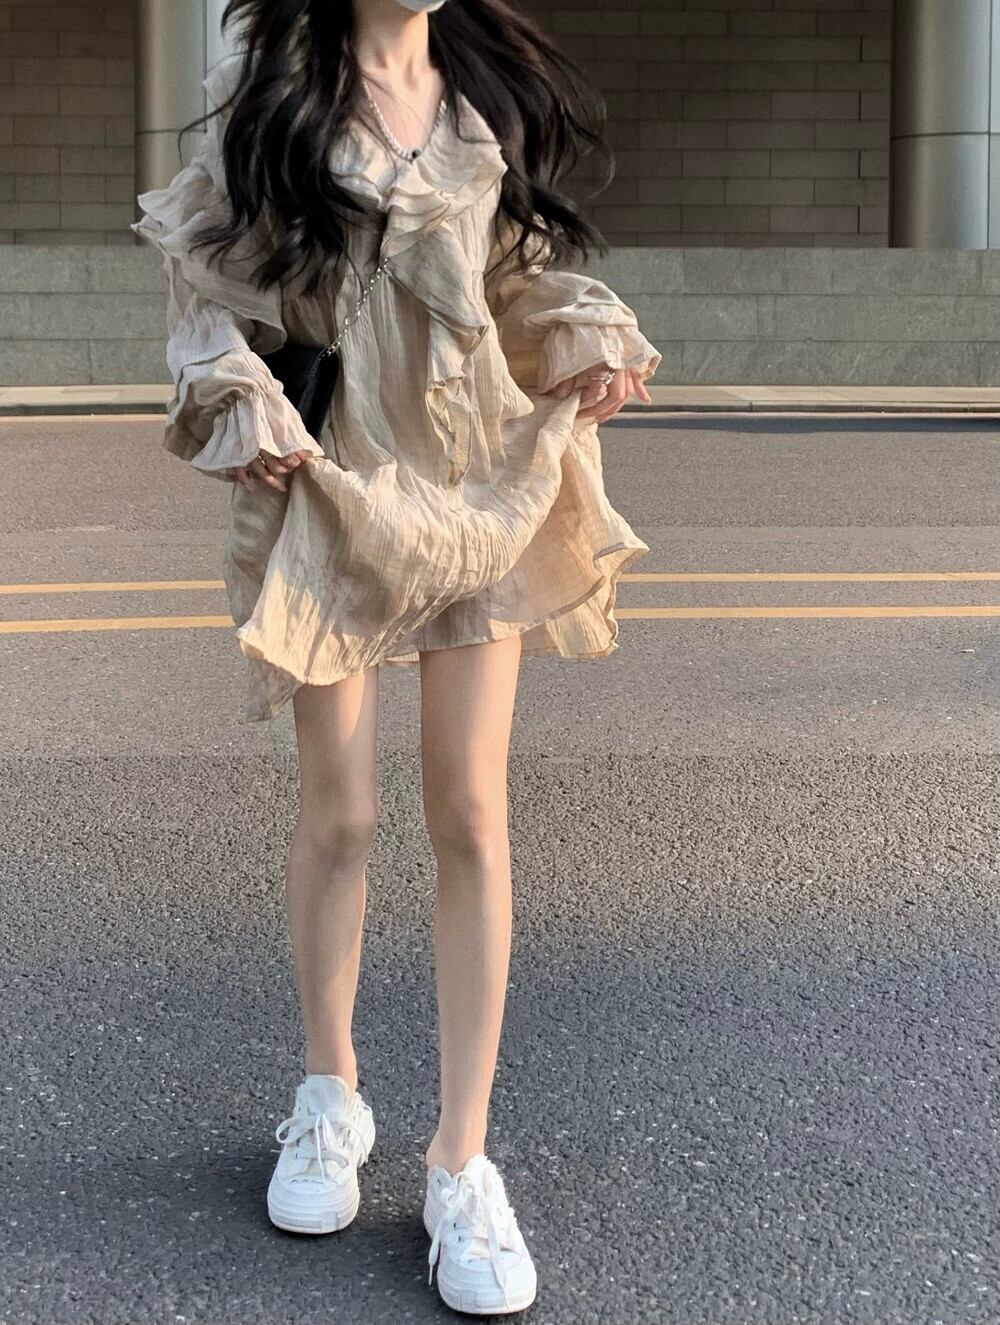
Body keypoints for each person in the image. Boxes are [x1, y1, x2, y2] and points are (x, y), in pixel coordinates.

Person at [132, 0, 661, 1314]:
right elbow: (205, 282)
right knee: (342, 813)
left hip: (480, 479)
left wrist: (586, 339)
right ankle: (332, 1094)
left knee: (471, 810)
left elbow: (515, 281)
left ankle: (460, 1161)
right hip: (342, 483)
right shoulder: (281, 90)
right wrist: (238, 393)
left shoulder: (484, 100)